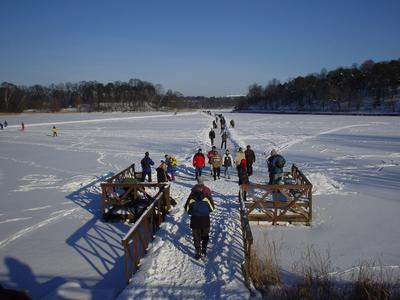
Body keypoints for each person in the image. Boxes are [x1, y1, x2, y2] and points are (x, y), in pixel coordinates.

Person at [184, 177, 215, 259]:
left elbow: (186, 208)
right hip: (205, 219)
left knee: (196, 237)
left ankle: (198, 252)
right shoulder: (206, 195)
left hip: (195, 220)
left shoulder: (192, 195)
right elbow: (212, 209)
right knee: (205, 236)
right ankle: (204, 250)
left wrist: (191, 212)